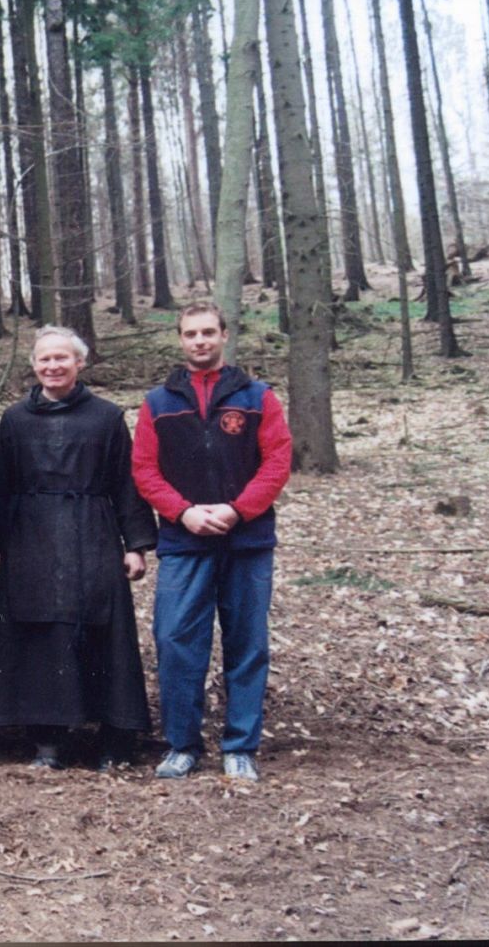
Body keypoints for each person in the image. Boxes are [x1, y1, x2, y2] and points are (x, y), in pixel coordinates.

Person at [0, 326, 158, 770]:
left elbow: (125, 482)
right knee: (39, 634)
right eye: (44, 359)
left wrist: (135, 544)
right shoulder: (16, 419)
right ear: (34, 365)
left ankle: (114, 737)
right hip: (30, 536)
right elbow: (0, 486)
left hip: (92, 532)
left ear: (80, 363)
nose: (53, 366)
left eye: (62, 358)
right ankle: (47, 739)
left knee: (103, 629)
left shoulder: (106, 417)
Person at [131, 300, 292, 782]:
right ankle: (182, 744)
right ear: (180, 340)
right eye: (190, 334)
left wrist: (237, 509)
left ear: (224, 335)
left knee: (246, 642)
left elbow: (278, 461)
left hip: (247, 541)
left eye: (207, 332)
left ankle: (240, 745)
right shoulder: (158, 402)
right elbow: (144, 470)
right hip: (184, 543)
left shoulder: (259, 397)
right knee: (176, 640)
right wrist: (183, 512)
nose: (199, 341)